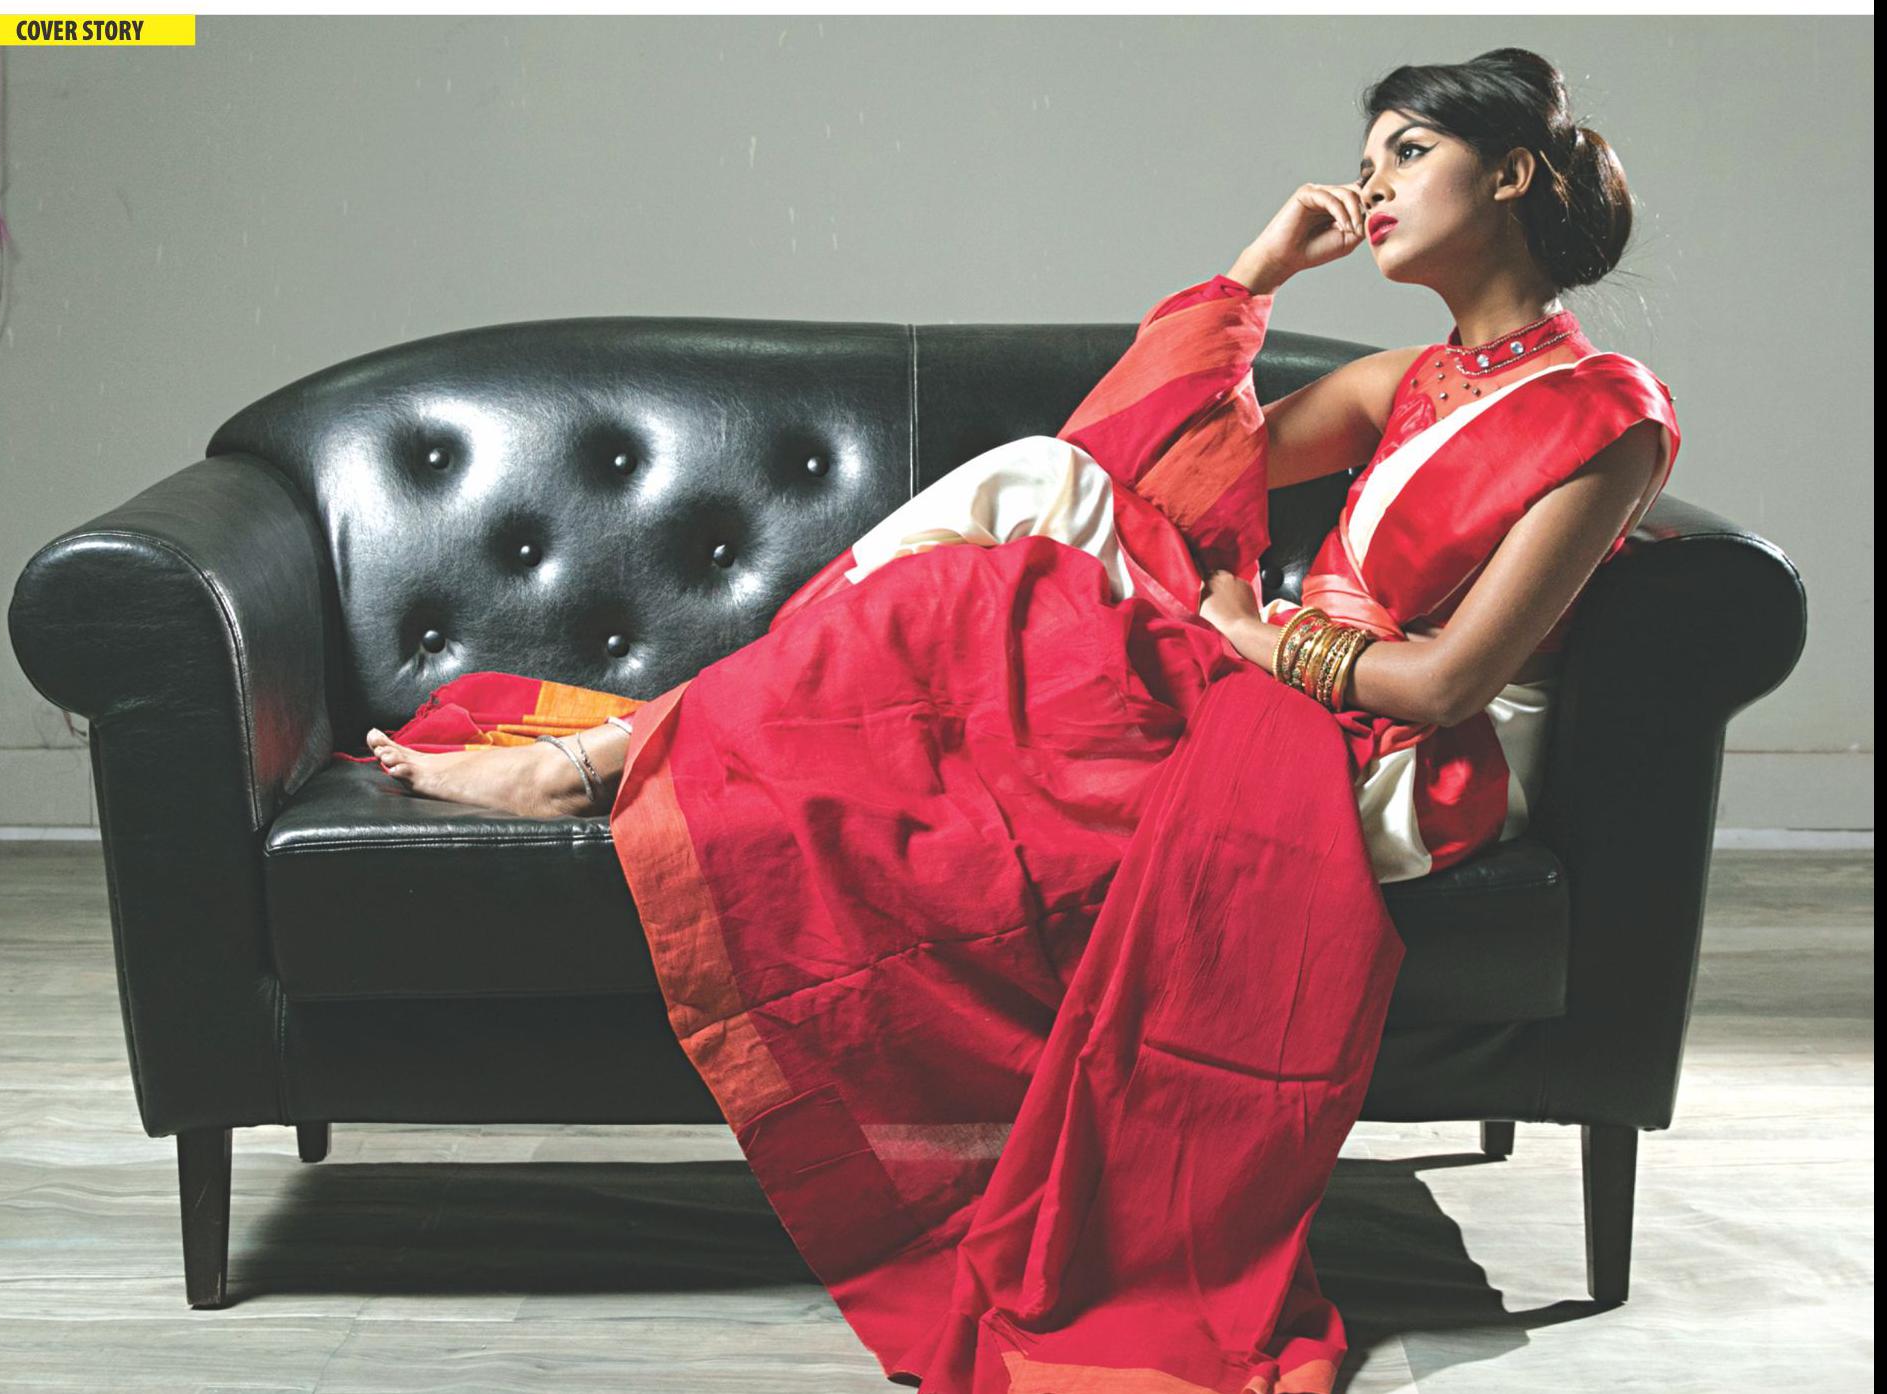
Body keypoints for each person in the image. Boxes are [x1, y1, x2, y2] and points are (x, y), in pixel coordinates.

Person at [345, 47, 1679, 1394]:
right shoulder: (1412, 379)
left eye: (1409, 154)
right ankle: (677, 727)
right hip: (1282, 669)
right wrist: (1259, 271)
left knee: (970, 595)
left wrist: (1251, 637)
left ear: (1509, 174)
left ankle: (631, 746)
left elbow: (1447, 686)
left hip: (1391, 757)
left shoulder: (1608, 417)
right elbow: (1157, 461)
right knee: (1039, 485)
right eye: (1370, 157)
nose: (1372, 186)